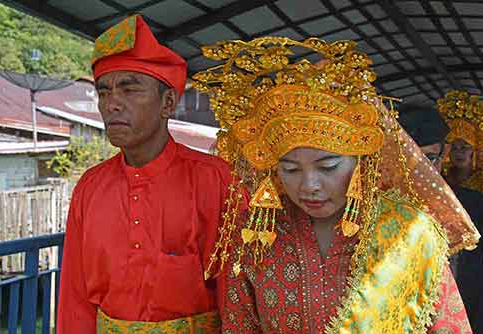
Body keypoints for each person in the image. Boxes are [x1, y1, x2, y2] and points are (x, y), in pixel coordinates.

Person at [192, 36, 480, 333]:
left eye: (328, 167)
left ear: (361, 160)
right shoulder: (255, 233)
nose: (309, 186)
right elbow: (239, 326)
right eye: (290, 169)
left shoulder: (408, 231)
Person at [57, 15, 232, 333]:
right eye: (104, 92)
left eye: (129, 89)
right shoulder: (90, 187)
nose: (112, 104)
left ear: (168, 103)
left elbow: (235, 298)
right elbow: (75, 297)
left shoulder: (215, 179)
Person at [400, 105, 483, 334]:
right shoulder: (372, 210)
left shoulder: (474, 206)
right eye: (408, 158)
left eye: (429, 158)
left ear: (441, 158)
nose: (420, 169)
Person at [437, 90, 483, 193]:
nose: (458, 152)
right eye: (453, 148)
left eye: (465, 147)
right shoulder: (439, 178)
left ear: (476, 149)